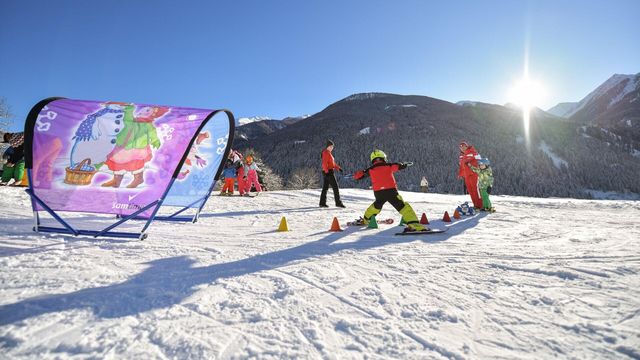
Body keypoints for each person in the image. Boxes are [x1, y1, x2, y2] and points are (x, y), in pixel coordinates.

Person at [353, 149, 427, 232]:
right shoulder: (389, 166)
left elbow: (358, 176)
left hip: (378, 193)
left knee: (376, 206)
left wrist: (360, 173)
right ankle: (414, 224)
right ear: (383, 158)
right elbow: (398, 166)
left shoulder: (370, 169)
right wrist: (404, 165)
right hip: (391, 191)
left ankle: (366, 219)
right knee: (403, 207)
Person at [458, 141, 483, 209]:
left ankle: (481, 205)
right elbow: (462, 166)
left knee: (475, 189)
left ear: (467, 146)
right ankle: (476, 205)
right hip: (466, 175)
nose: (462, 148)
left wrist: (476, 167)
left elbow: (479, 159)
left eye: (463, 146)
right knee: (470, 190)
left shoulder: (472, 151)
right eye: (461, 147)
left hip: (473, 173)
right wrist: (460, 174)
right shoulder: (461, 156)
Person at [319, 140, 345, 208]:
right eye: (330, 146)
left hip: (327, 171)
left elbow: (332, 164)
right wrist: (327, 172)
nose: (332, 147)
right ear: (327, 146)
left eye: (332, 146)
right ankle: (338, 203)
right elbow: (324, 163)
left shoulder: (328, 153)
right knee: (335, 187)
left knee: (325, 188)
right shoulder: (326, 153)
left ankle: (322, 203)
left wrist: (338, 168)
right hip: (328, 172)